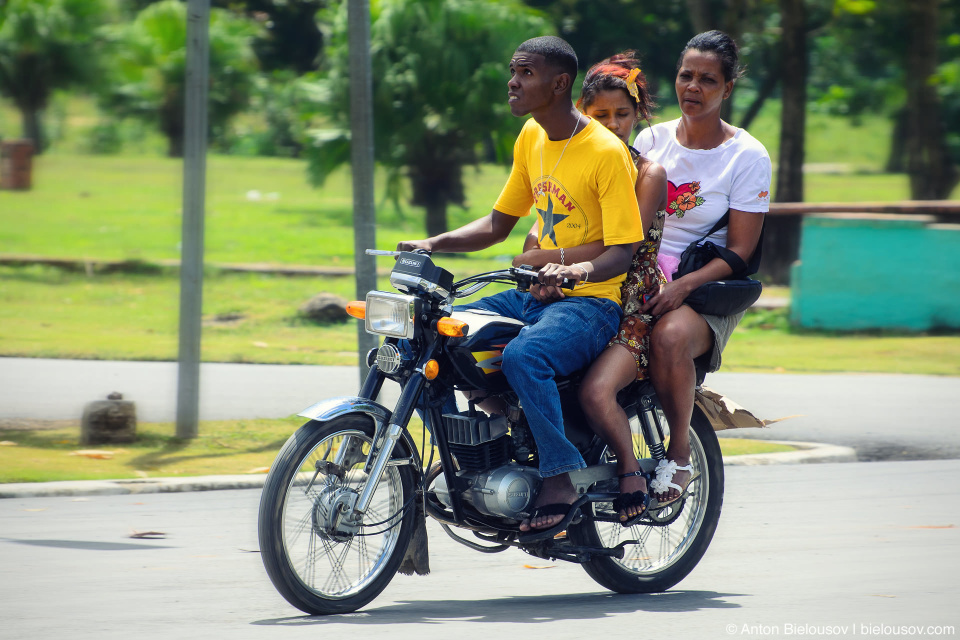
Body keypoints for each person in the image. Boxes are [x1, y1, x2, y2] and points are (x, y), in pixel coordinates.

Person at [397, 36, 645, 540]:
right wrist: (433, 241)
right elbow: (496, 224)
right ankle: (462, 459)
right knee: (423, 336)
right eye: (512, 71)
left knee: (524, 358)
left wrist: (573, 272)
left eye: (525, 73)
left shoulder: (605, 151)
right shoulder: (532, 135)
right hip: (532, 292)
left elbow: (623, 250)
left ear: (558, 83)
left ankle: (559, 474)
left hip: (592, 304)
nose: (512, 82)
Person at [513, 52, 669, 525]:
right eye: (601, 115)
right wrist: (535, 269)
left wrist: (541, 261)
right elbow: (544, 225)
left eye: (623, 115)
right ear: (582, 109)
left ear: (638, 116)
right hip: (569, 282)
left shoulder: (646, 173)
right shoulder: (568, 151)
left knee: (597, 392)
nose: (613, 124)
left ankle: (628, 471)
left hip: (626, 295)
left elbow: (617, 244)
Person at [628, 30, 771, 508]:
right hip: (639, 274)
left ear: (727, 89)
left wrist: (681, 286)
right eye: (686, 75)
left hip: (704, 288)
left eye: (707, 80)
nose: (693, 87)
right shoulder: (650, 139)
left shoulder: (746, 156)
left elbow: (741, 253)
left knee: (668, 337)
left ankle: (681, 455)